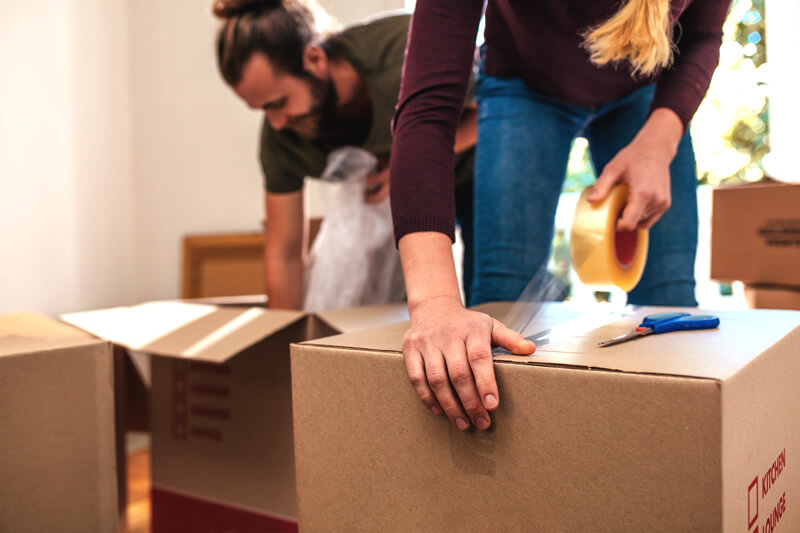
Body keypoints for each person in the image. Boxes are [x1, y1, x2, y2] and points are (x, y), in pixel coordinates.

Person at [389, 0, 731, 431]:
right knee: (502, 309)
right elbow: (428, 109)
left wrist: (661, 141)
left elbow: (701, 35)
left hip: (647, 84)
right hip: (525, 80)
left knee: (670, 299)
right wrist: (434, 304)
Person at [213, 0, 477, 309]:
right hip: (398, 209)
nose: (276, 122)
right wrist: (284, 345)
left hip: (471, 173)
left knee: (486, 293)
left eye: (278, 103)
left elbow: (494, 108)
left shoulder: (401, 55)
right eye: (261, 109)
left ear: (314, 59)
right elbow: (284, 253)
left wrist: (407, 167)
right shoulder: (281, 139)